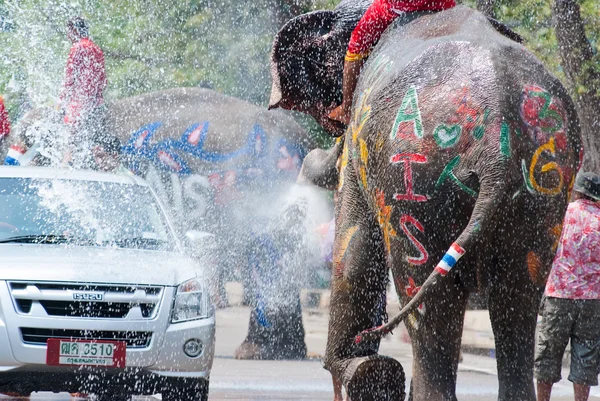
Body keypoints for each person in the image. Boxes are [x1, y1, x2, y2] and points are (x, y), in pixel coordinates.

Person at [328, 0, 456, 125]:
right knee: (459, 20)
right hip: (439, 4)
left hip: (398, 7)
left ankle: (347, 108)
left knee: (356, 45)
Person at [535, 172, 600, 401]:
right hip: (593, 301)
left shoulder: (566, 212)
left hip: (559, 295)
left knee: (548, 355)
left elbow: (545, 244)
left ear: (578, 191)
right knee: (586, 356)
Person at [61, 16, 106, 146]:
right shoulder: (96, 48)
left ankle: (66, 160)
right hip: (95, 100)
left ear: (74, 30)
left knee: (69, 139)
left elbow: (69, 78)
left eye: (69, 31)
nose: (68, 35)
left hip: (79, 102)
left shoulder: (77, 47)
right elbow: (103, 79)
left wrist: (61, 100)